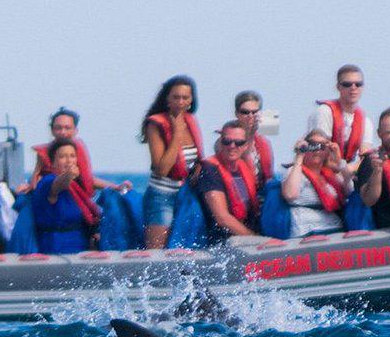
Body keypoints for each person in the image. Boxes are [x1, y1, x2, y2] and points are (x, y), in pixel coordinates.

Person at [140, 75, 205, 248]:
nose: (181, 102)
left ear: (191, 100)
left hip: (187, 195)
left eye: (185, 98)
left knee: (187, 244)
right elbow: (162, 168)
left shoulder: (192, 122)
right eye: (176, 97)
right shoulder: (155, 124)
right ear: (167, 99)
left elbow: (197, 159)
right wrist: (176, 134)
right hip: (162, 196)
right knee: (157, 248)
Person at [24, 109, 131, 195]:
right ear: (52, 130)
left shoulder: (78, 150)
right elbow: (36, 181)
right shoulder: (44, 153)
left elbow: (87, 179)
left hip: (74, 199)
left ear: (75, 130)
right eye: (58, 128)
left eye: (67, 128)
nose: (63, 132)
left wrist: (116, 187)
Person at [32, 137, 100, 254]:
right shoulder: (47, 181)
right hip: (55, 247)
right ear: (52, 162)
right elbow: (58, 184)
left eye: (72, 156)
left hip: (80, 245)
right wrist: (69, 174)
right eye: (62, 157)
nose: (69, 160)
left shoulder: (77, 186)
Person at [197, 122, 259, 244]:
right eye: (227, 141)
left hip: (243, 237)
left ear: (246, 145)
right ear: (221, 142)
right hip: (221, 241)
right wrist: (255, 238)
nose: (232, 146)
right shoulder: (210, 169)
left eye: (239, 143)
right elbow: (222, 218)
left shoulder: (243, 168)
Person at [281, 130, 349, 236]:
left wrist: (339, 160)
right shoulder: (295, 171)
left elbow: (350, 191)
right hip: (307, 230)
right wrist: (299, 156)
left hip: (334, 229)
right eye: (313, 145)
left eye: (322, 146)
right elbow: (290, 195)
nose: (317, 150)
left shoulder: (331, 176)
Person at [309, 64, 373, 171]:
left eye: (358, 84)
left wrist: (347, 170)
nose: (353, 88)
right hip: (322, 169)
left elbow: (365, 158)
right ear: (338, 87)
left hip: (348, 172)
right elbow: (321, 152)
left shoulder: (366, 122)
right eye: (347, 84)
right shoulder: (325, 112)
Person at [233, 91, 274, 199]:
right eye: (245, 112)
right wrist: (249, 134)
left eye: (254, 112)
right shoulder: (226, 140)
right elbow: (240, 160)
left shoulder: (264, 142)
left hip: (260, 192)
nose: (250, 116)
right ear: (237, 114)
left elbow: (269, 173)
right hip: (238, 192)